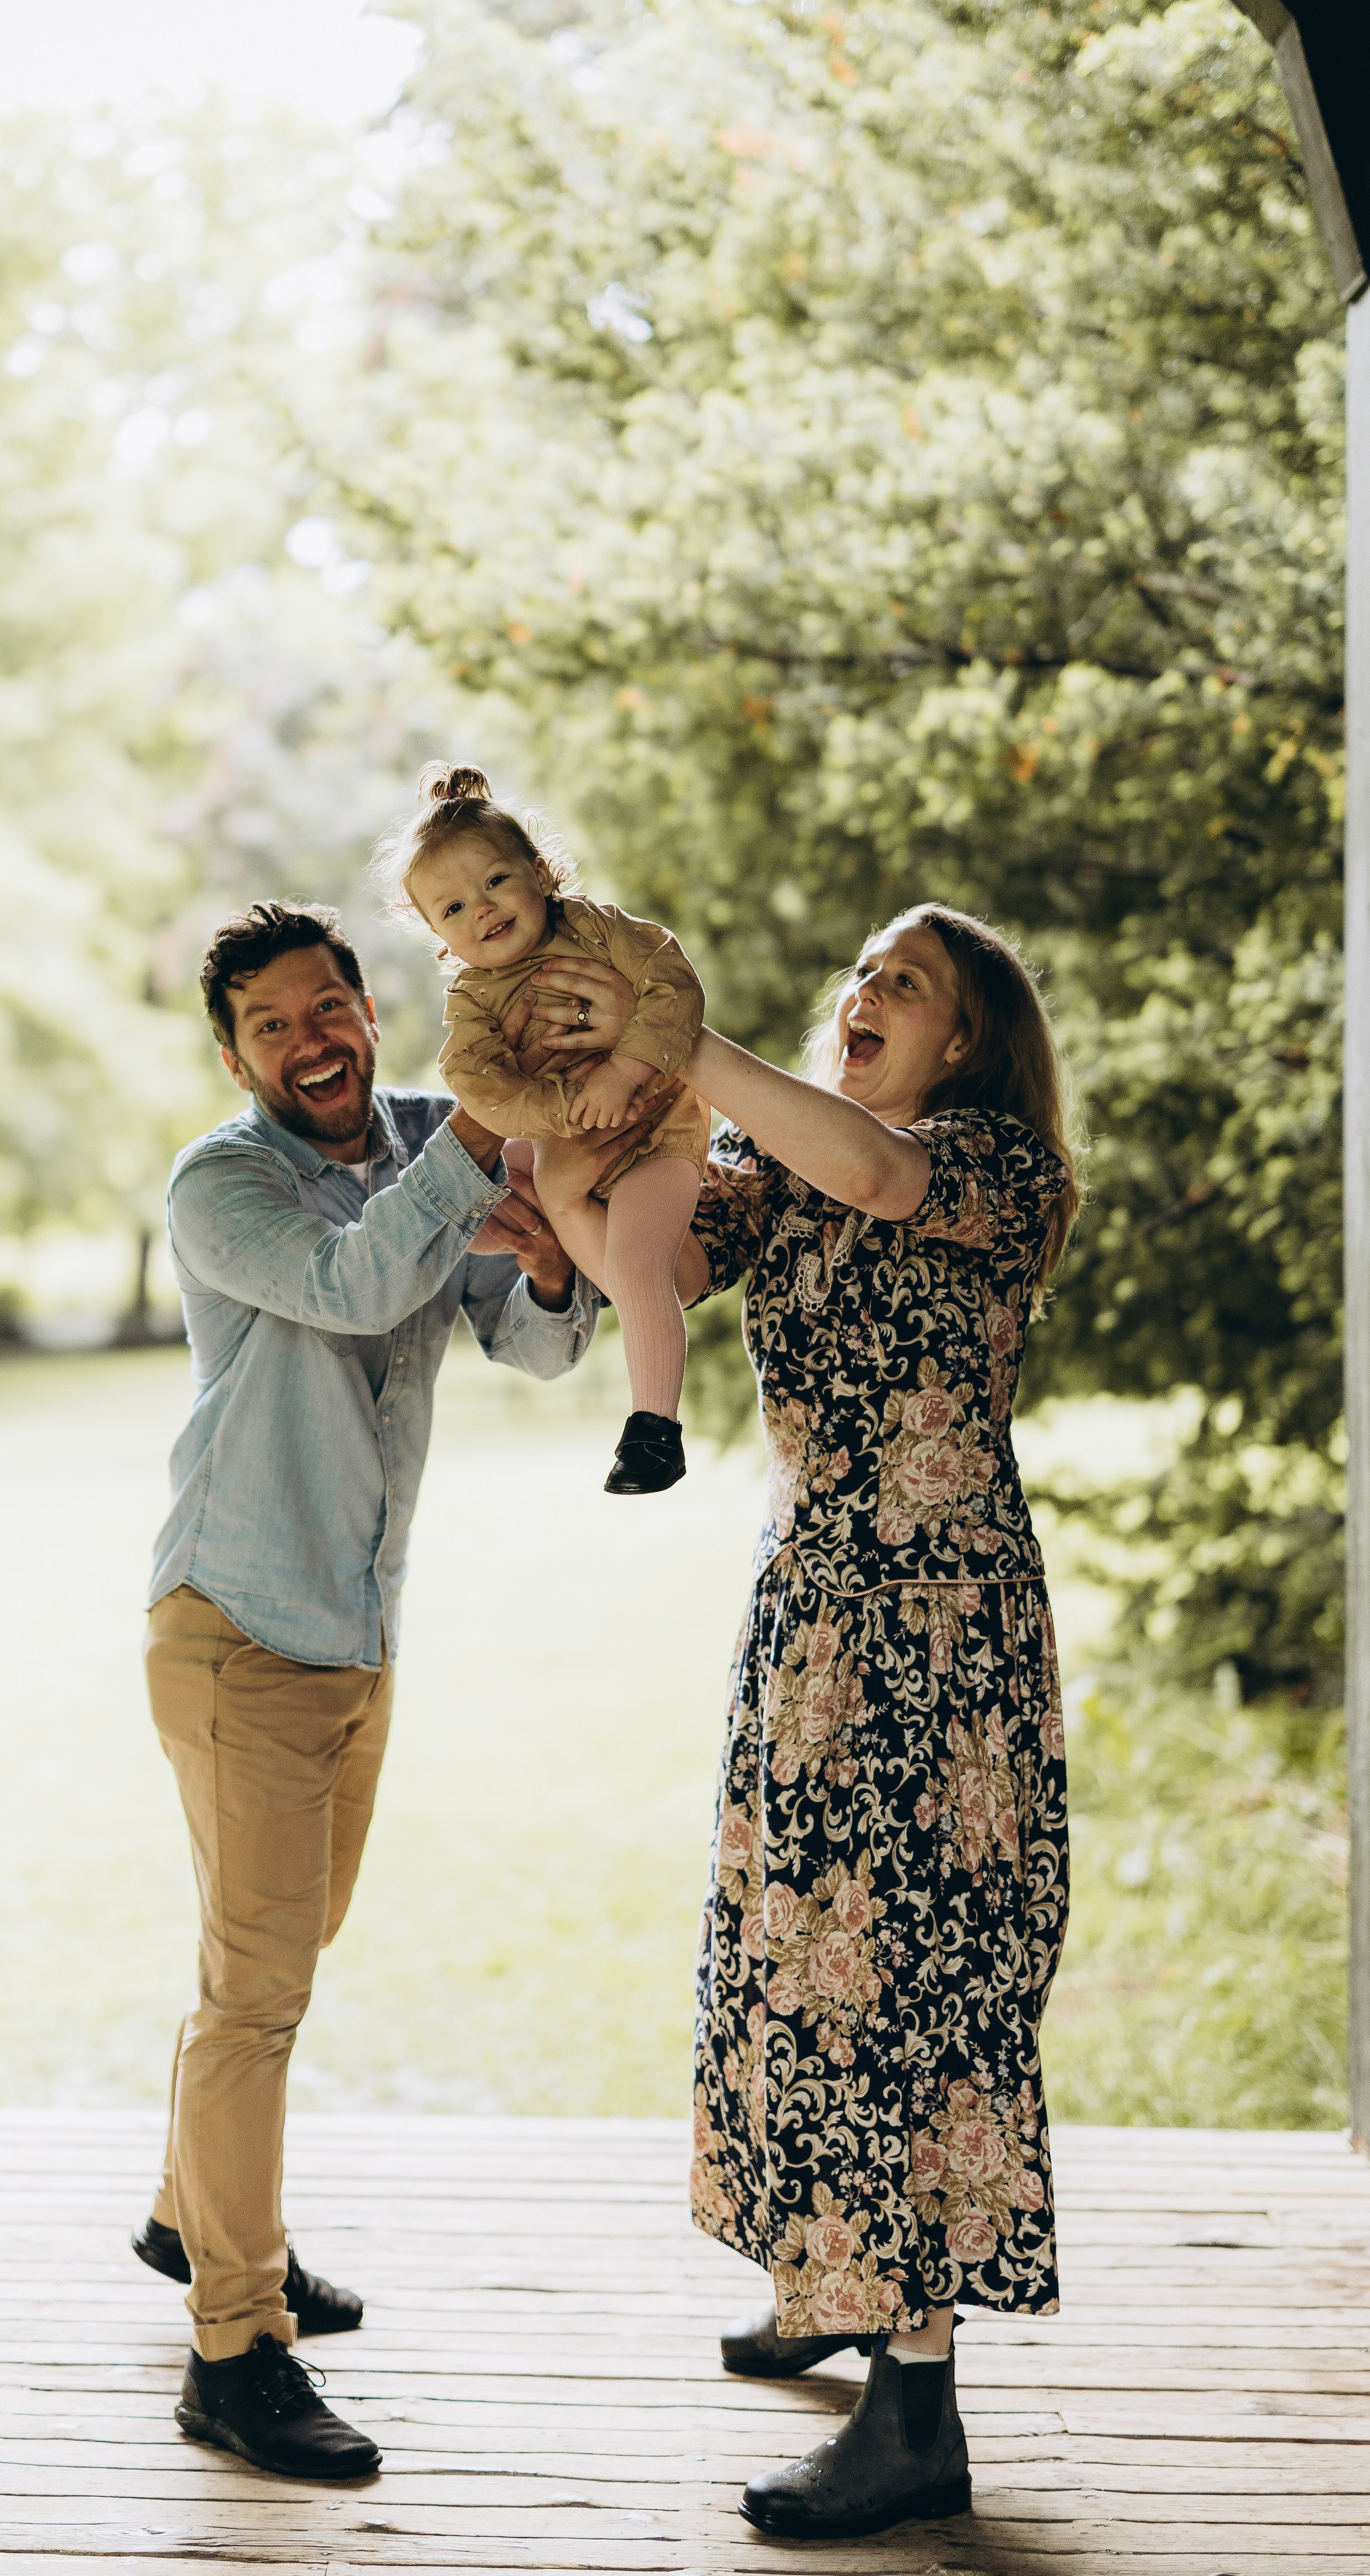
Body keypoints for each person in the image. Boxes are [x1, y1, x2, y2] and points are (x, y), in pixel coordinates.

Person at [527, 904, 1081, 2543]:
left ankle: (916, 2415)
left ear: (962, 1040)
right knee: (798, 1958)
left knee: (905, 1982)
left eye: (897, 984)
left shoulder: (988, 1165)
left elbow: (877, 1178)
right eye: (857, 974)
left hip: (937, 1632)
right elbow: (661, 1261)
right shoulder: (785, 1167)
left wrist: (678, 1036)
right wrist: (571, 1161)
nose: (862, 995)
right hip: (813, 1618)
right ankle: (828, 2279)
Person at [132, 899, 598, 2483]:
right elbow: (345, 1283)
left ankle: (184, 2210)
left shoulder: (424, 1139)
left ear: (371, 1007)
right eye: (274, 1022)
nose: (313, 1037)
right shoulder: (223, 1181)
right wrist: (480, 1153)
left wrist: (544, 1265)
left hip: (353, 1626)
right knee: (254, 1993)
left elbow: (530, 1345)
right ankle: (232, 2345)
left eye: (330, 1002)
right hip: (234, 1622)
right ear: (235, 1053)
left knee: (279, 1942)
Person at [374, 762, 708, 1495]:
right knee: (509, 1191)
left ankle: (654, 1431)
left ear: (541, 870)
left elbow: (674, 983)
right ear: (437, 936)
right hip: (563, 1150)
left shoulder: (596, 930)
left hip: (652, 1131)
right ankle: (562, 1257)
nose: (482, 910)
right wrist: (560, 1110)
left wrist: (621, 1073)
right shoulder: (471, 1000)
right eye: (453, 908)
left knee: (645, 1265)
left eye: (495, 881)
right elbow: (477, 1084)